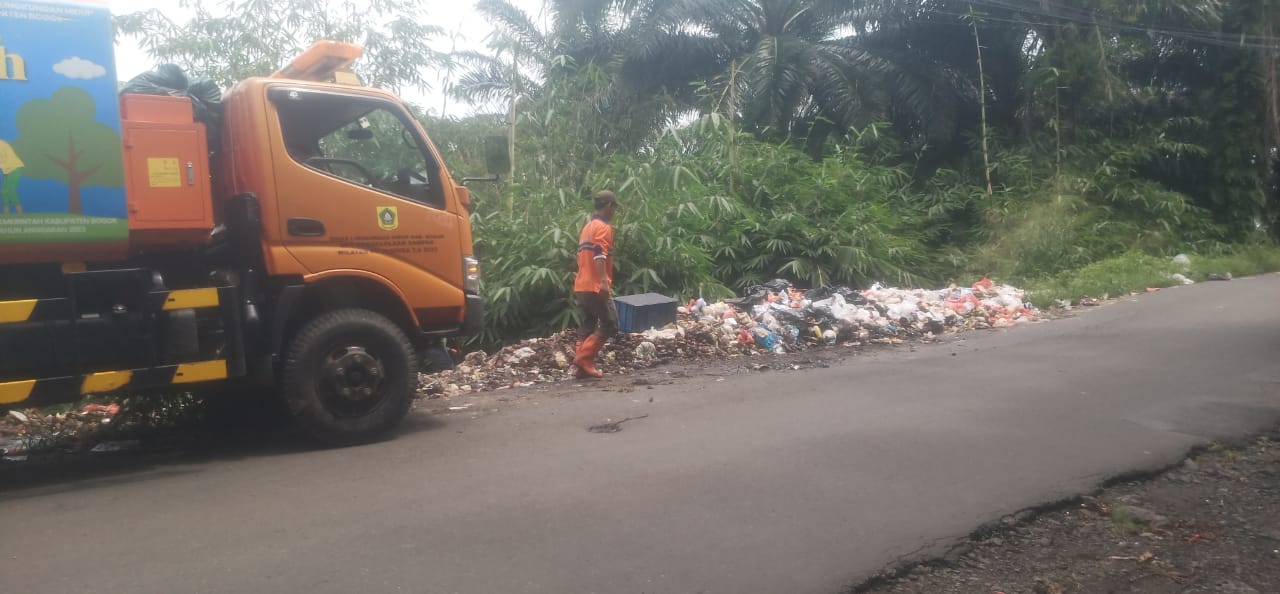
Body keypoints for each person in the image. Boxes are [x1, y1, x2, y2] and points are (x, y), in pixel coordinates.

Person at [572, 190, 620, 379]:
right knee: (610, 324)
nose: (614, 211)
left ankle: (581, 367)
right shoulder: (603, 227)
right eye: (614, 207)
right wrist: (603, 282)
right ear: (608, 206)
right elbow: (599, 254)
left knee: (587, 326)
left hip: (581, 285)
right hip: (594, 285)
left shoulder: (587, 227)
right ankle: (584, 359)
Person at [0, 139, 24, 215]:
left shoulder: (1, 144)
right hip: (7, 170)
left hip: (15, 168)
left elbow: (3, 158)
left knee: (11, 190)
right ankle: (6, 216)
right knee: (4, 191)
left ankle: (20, 215)